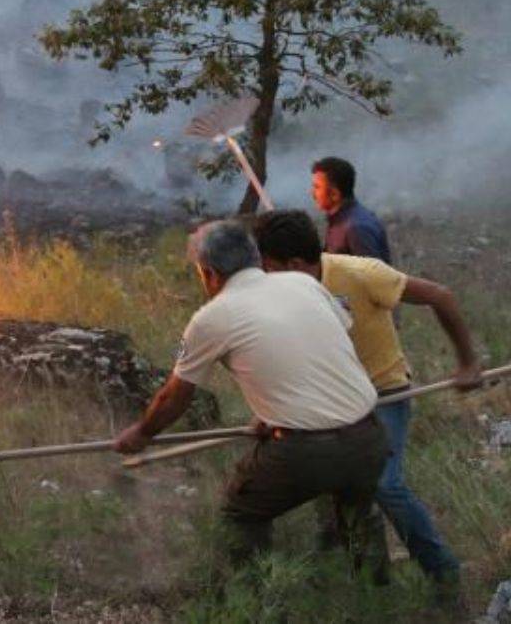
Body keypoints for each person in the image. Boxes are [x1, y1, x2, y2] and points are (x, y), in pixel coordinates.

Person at [113, 220, 391, 581]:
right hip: (369, 437)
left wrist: (142, 433)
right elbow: (324, 341)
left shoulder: (209, 319)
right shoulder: (305, 283)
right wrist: (277, 414)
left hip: (306, 451)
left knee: (240, 516)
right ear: (256, 257)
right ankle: (377, 594)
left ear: (208, 272)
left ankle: (258, 601)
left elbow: (174, 395)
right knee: (358, 512)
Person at [252, 209, 481, 586]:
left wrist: (468, 363)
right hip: (329, 403)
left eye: (270, 267)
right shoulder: (279, 293)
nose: (265, 276)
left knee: (384, 485)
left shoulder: (359, 274)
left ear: (295, 264)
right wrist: (275, 412)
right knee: (336, 487)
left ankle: (445, 575)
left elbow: (441, 296)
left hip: (383, 393)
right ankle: (372, 583)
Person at [311, 156, 392, 262]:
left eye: (317, 187)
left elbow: (372, 276)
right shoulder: (339, 220)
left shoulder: (356, 228)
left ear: (335, 194)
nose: (312, 193)